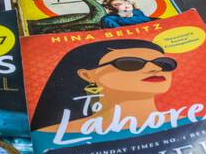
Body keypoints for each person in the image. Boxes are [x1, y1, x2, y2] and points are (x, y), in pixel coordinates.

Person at [27, 38, 178, 135]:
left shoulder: (194, 122)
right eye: (130, 63)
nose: (156, 69)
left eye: (163, 64)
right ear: (87, 75)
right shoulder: (52, 134)